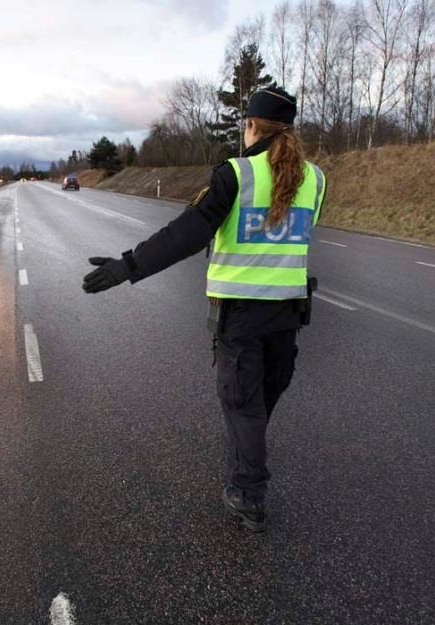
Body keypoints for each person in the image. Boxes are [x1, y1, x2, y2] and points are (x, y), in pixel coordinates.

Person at [81, 86, 326, 532]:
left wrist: (127, 267)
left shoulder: (236, 174)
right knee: (256, 405)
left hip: (242, 316)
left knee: (244, 406)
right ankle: (244, 466)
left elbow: (187, 234)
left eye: (245, 125)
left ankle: (248, 494)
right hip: (288, 317)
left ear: (251, 125)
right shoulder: (316, 179)